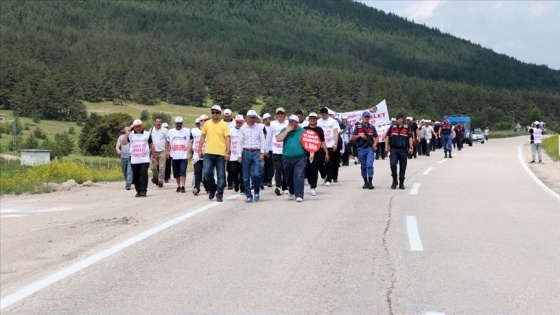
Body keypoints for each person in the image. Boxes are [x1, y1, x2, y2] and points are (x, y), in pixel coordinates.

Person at [197, 105, 231, 202]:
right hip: (208, 153)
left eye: (217, 112)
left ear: (220, 114)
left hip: (220, 153)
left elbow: (227, 138)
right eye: (213, 112)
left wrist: (227, 152)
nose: (214, 114)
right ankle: (213, 187)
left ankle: (219, 194)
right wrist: (199, 149)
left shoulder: (224, 124)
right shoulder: (207, 124)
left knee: (221, 175)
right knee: (207, 173)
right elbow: (203, 136)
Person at [276, 114, 309, 202]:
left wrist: (312, 153)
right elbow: (278, 139)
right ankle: (291, 191)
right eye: (290, 121)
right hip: (287, 158)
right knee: (288, 177)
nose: (291, 123)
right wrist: (287, 131)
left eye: (293, 121)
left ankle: (299, 195)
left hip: (300, 158)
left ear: (297, 122)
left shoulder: (303, 131)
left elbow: (309, 144)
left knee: (298, 176)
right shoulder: (285, 130)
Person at [238, 110, 266, 203]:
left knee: (256, 174)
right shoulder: (243, 128)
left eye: (254, 117)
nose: (252, 119)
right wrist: (239, 155)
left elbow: (262, 140)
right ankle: (248, 195)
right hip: (246, 151)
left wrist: (262, 152)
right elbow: (240, 142)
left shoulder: (259, 127)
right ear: (247, 117)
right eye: (251, 117)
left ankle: (256, 191)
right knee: (245, 176)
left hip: (256, 151)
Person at [122, 119, 154, 197]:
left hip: (144, 158)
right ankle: (138, 191)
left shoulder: (147, 134)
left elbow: (151, 145)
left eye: (139, 126)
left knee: (143, 174)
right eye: (136, 127)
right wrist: (127, 134)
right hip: (134, 159)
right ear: (134, 127)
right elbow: (124, 143)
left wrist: (154, 156)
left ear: (141, 126)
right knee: (135, 176)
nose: (138, 128)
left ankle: (143, 191)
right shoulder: (131, 135)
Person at [385, 113, 413, 190]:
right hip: (394, 149)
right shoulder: (392, 127)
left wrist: (411, 147)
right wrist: (386, 147)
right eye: (396, 119)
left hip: (403, 149)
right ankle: (394, 181)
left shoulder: (407, 128)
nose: (396, 120)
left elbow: (410, 137)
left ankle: (401, 182)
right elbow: (387, 136)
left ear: (401, 119)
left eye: (397, 119)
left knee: (403, 167)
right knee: (393, 164)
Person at [351, 111, 378, 189]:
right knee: (363, 166)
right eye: (365, 117)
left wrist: (375, 144)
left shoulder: (372, 127)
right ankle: (365, 182)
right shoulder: (358, 127)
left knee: (369, 165)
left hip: (369, 149)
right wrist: (360, 135)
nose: (366, 118)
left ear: (369, 118)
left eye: (367, 117)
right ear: (362, 117)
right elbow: (352, 138)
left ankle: (370, 182)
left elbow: (376, 137)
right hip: (361, 148)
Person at [304, 112, 329, 196]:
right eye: (311, 118)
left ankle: (313, 187)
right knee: (307, 170)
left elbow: (322, 142)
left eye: (314, 118)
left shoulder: (319, 130)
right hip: (306, 153)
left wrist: (326, 153)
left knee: (314, 169)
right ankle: (311, 183)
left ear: (316, 120)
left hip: (318, 152)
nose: (312, 120)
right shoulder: (304, 129)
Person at [166, 117, 192, 193]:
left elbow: (190, 142)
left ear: (182, 123)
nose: (179, 125)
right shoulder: (170, 132)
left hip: (184, 154)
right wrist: (167, 151)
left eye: (180, 123)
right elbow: (167, 142)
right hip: (174, 155)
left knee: (183, 171)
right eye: (177, 123)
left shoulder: (187, 131)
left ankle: (183, 186)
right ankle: (178, 185)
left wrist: (189, 152)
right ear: (175, 123)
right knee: (176, 172)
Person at [266, 107, 289, 196]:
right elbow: (269, 137)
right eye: (278, 113)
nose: (280, 115)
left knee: (285, 169)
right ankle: (278, 186)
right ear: (276, 115)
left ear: (284, 115)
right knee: (278, 169)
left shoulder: (288, 124)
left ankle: (285, 187)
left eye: (281, 113)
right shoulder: (272, 124)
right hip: (275, 150)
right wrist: (266, 149)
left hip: (286, 150)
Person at [317, 107, 340, 187]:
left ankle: (329, 179)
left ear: (327, 114)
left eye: (324, 115)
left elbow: (336, 132)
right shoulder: (318, 122)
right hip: (320, 145)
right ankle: (324, 175)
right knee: (320, 163)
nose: (323, 116)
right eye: (322, 115)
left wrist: (336, 143)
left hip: (330, 144)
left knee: (329, 162)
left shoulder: (333, 122)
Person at [191, 115, 208, 196]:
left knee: (207, 173)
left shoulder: (210, 130)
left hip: (208, 154)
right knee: (197, 172)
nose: (204, 122)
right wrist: (188, 152)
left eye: (206, 120)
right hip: (197, 155)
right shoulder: (194, 131)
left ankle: (208, 187)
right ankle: (196, 188)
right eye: (203, 120)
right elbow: (190, 142)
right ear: (200, 122)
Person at [149, 116, 168, 188]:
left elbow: (167, 141)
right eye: (157, 122)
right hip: (154, 151)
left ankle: (160, 181)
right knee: (152, 167)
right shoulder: (151, 130)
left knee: (162, 167)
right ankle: (156, 178)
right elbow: (149, 141)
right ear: (154, 122)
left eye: (160, 122)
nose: (158, 123)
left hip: (162, 151)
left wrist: (167, 150)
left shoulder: (165, 130)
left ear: (161, 122)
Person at [228, 115, 245, 192]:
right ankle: (236, 183)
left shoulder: (245, 130)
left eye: (240, 122)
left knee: (242, 172)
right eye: (237, 122)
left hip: (242, 154)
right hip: (233, 155)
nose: (239, 123)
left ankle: (242, 187)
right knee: (233, 171)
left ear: (243, 122)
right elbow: (228, 141)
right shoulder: (231, 130)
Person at [115, 126, 133, 190]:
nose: (129, 131)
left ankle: (128, 184)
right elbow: (117, 145)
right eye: (128, 130)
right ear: (125, 131)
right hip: (123, 157)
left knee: (129, 171)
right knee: (124, 171)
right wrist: (118, 150)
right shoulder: (121, 137)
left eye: (130, 130)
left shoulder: (133, 137)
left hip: (131, 156)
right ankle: (128, 180)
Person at [262, 113, 274, 187]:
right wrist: (264, 149)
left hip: (271, 148)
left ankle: (269, 179)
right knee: (262, 166)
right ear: (264, 120)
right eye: (268, 119)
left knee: (270, 165)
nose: (270, 120)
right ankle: (263, 180)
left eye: (270, 119)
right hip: (263, 149)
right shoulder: (261, 128)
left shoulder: (272, 127)